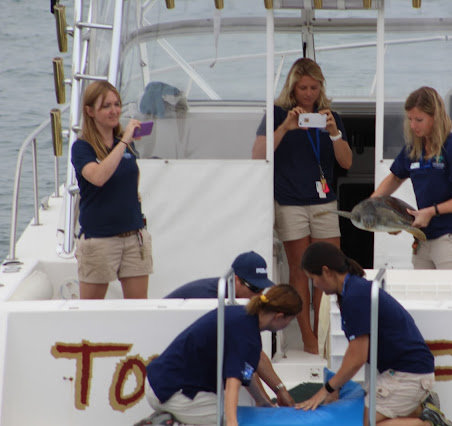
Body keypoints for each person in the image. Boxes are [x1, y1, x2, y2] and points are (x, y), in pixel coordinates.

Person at [252, 58, 352, 354]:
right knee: (298, 270)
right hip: (290, 202)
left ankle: (323, 334)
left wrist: (333, 132)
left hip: (324, 201)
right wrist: (284, 127)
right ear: (292, 87)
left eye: (314, 87)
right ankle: (308, 337)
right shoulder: (277, 113)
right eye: (303, 87)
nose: (308, 93)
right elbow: (258, 156)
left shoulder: (329, 115)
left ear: (321, 87)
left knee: (329, 269)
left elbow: (346, 162)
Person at [296, 242, 452, 426]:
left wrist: (327, 388)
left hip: (408, 374)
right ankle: (423, 409)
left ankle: (430, 424)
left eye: (313, 278)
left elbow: (357, 357)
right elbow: (355, 350)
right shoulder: (353, 288)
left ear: (326, 271)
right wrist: (335, 387)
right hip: (404, 369)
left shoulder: (355, 296)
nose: (315, 285)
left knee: (368, 424)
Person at [145, 284, 303, 426]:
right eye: (289, 321)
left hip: (163, 380)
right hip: (171, 391)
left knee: (231, 414)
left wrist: (263, 402)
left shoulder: (243, 316)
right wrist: (232, 422)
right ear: (279, 316)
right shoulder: (245, 335)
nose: (286, 326)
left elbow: (245, 371)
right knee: (235, 419)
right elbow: (232, 381)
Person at [164, 251, 296, 407]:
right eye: (254, 288)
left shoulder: (235, 304)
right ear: (236, 281)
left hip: (181, 367)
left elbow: (253, 353)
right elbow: (242, 361)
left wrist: (279, 391)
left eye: (262, 289)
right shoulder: (215, 302)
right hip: (171, 367)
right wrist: (264, 402)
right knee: (227, 415)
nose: (258, 295)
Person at [371, 86, 452, 270]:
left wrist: (430, 212)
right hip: (423, 238)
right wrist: (372, 203)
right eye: (410, 119)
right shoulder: (414, 148)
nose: (413, 126)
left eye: (419, 120)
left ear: (435, 118)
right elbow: (395, 178)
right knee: (423, 296)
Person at [71, 81, 152, 299]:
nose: (114, 110)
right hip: (99, 240)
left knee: (138, 309)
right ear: (90, 111)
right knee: (91, 311)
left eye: (117, 104)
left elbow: (131, 180)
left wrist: (124, 143)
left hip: (133, 237)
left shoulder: (125, 145)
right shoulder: (82, 148)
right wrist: (124, 141)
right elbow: (98, 177)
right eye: (106, 106)